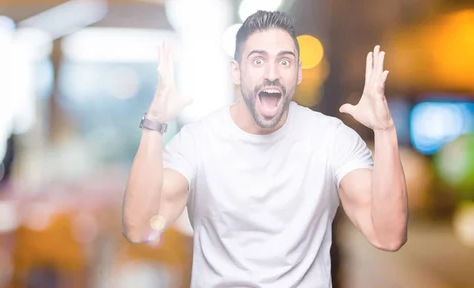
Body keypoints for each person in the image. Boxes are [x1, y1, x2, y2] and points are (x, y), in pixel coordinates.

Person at [122, 10, 408, 288]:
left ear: (297, 73)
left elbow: (388, 236)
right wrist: (154, 124)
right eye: (258, 60)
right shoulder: (198, 141)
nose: (271, 74)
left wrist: (385, 131)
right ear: (236, 71)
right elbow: (139, 227)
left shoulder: (331, 139)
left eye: (285, 62)